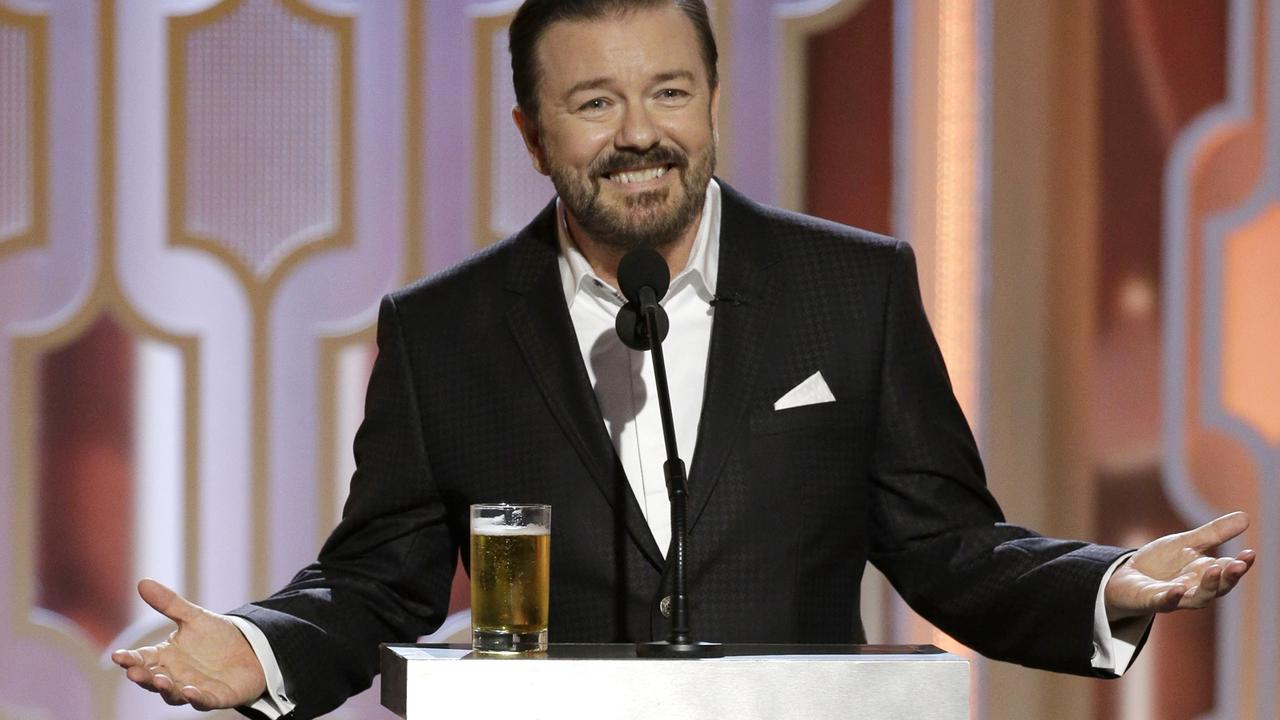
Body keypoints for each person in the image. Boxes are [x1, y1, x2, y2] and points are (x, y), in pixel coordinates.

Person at [112, 1, 1256, 718]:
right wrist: (262, 650)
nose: (639, 133)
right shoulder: (443, 330)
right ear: (531, 130)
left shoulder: (848, 290)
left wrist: (1100, 583)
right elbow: (378, 577)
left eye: (668, 91)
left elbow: (945, 543)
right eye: (594, 102)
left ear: (712, 99)